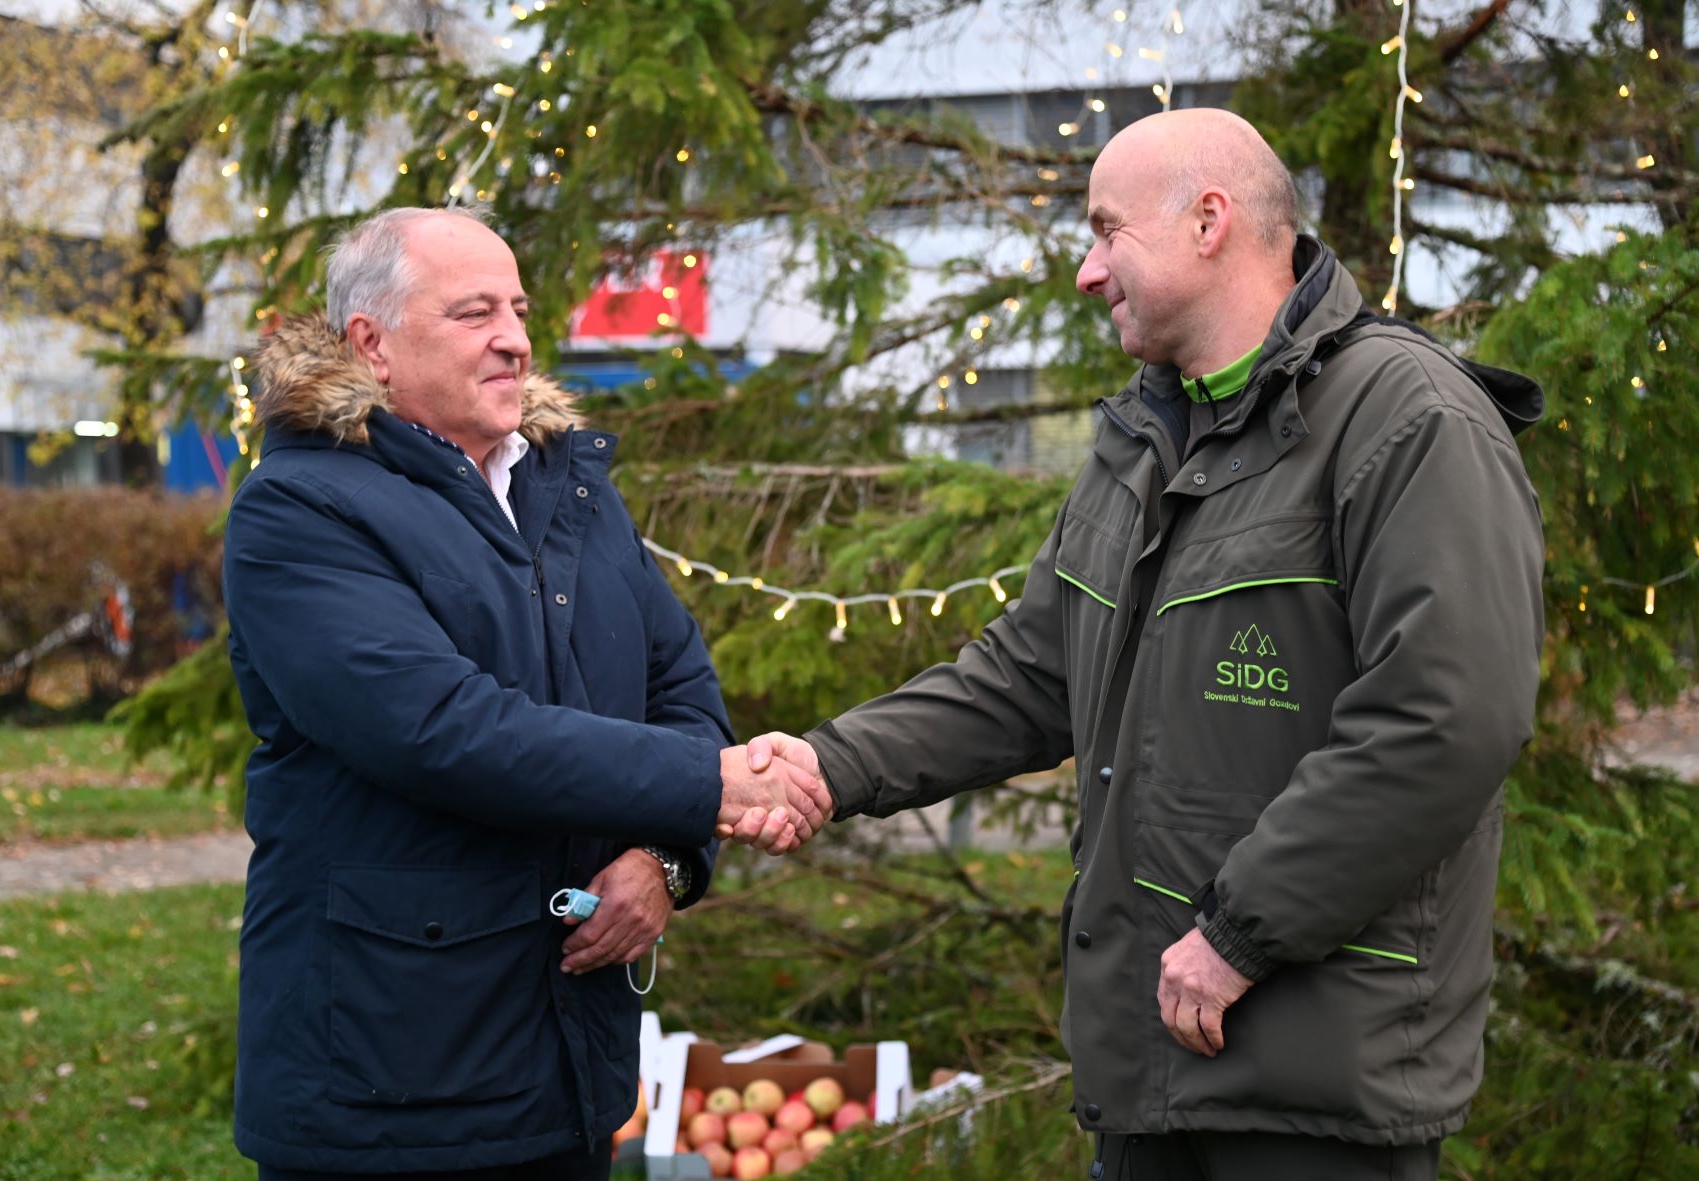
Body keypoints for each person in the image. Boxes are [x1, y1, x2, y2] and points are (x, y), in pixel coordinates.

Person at [734, 109, 1546, 1179]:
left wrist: (1238, 931)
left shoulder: (1405, 419)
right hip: (1149, 1077)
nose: (1084, 269)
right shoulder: (1139, 438)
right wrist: (829, 764)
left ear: (1208, 220)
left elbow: (1443, 718)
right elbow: (1027, 674)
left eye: (1105, 229)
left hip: (1311, 1090)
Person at [223, 206, 830, 1181]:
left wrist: (666, 855)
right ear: (371, 343)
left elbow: (678, 679)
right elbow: (441, 729)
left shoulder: (567, 488)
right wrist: (713, 786)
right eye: (473, 312)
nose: (513, 336)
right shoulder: (301, 510)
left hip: (568, 1071)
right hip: (390, 1079)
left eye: (516, 307)